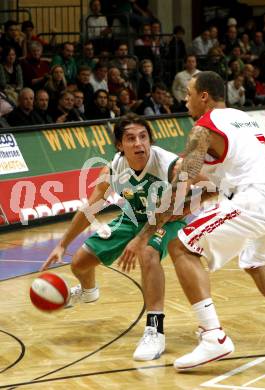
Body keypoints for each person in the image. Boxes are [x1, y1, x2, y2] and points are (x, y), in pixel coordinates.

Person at [121, 71, 265, 370]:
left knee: (181, 246)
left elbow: (179, 188)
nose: (183, 99)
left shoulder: (203, 128)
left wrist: (144, 234)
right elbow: (209, 189)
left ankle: (213, 336)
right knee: (253, 261)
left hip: (257, 199)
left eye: (188, 93)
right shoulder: (242, 118)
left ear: (204, 96)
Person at [40, 113, 186, 362]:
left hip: (167, 218)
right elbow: (91, 208)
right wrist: (62, 244)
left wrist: (141, 239)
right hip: (133, 217)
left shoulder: (170, 165)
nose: (139, 143)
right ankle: (88, 292)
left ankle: (154, 329)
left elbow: (180, 204)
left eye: (143, 137)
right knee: (79, 263)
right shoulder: (114, 168)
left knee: (148, 252)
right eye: (131, 139)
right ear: (120, 145)